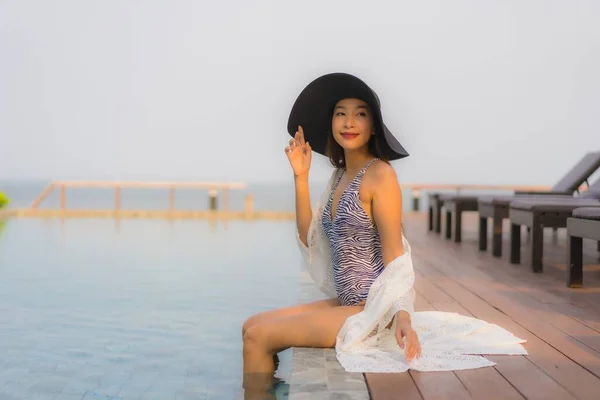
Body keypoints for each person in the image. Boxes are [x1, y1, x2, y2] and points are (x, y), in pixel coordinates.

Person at [241, 73, 527, 397]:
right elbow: (310, 240)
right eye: (341, 113)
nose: (349, 122)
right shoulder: (339, 177)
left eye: (360, 113)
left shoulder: (380, 175)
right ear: (331, 123)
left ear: (373, 125)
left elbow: (395, 256)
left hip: (373, 310)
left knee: (258, 338)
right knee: (250, 326)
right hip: (347, 303)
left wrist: (403, 315)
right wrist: (300, 177)